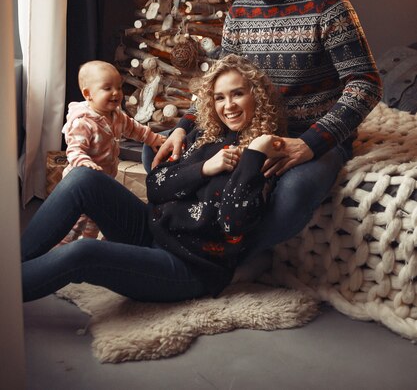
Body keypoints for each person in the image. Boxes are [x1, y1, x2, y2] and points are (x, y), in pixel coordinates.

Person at [152, 0, 382, 262]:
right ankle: (185, 244)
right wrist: (184, 126)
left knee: (294, 191)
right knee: (161, 153)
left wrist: (310, 144)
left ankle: (217, 261)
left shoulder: (328, 4)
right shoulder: (240, 12)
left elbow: (365, 83)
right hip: (246, 132)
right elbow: (220, 81)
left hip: (310, 134)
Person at [21, 55, 286, 302]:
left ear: (257, 96)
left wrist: (254, 154)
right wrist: (204, 168)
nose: (228, 106)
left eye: (237, 94)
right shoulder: (205, 136)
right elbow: (157, 186)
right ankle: (13, 263)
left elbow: (233, 222)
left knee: (81, 253)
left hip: (188, 266)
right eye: (219, 98)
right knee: (82, 179)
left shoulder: (265, 157)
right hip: (151, 230)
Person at [59, 60, 165, 243]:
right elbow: (74, 150)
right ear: (88, 94)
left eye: (119, 87)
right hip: (81, 185)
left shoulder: (117, 116)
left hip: (104, 181)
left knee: (96, 219)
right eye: (107, 88)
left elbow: (135, 129)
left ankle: (89, 246)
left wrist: (152, 138)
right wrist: (84, 163)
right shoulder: (83, 122)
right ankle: (63, 250)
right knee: (76, 222)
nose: (116, 93)